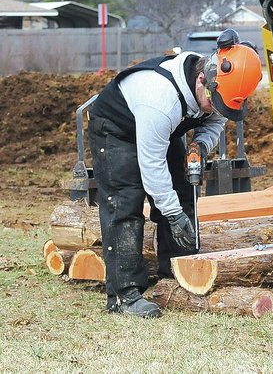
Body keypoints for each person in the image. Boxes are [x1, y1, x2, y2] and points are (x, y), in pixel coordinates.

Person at [88, 29, 262, 318]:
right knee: (125, 202)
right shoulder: (160, 100)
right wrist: (173, 215)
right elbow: (151, 165)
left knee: (183, 189)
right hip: (117, 129)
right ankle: (124, 295)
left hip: (158, 132)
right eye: (212, 101)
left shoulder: (218, 86)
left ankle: (176, 273)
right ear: (202, 79)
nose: (213, 108)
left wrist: (200, 145)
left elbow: (217, 119)